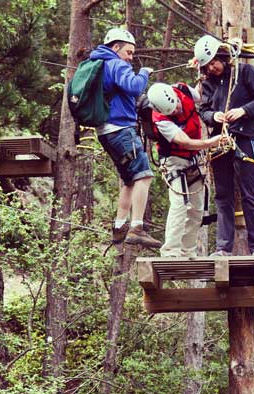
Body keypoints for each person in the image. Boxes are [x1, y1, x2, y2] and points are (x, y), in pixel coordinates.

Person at [194, 35, 254, 257]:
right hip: (221, 141)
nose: (212, 68)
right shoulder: (207, 83)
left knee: (249, 193)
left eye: (214, 63)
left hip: (246, 137)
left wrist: (244, 110)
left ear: (222, 57)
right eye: (207, 66)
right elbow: (204, 110)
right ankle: (222, 247)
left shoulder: (244, 73)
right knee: (223, 195)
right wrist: (213, 116)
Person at [90, 27, 161, 248]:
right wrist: (144, 73)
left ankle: (119, 226)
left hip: (106, 132)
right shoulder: (116, 64)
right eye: (128, 52)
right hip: (121, 129)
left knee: (129, 180)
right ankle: (137, 228)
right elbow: (134, 86)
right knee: (144, 175)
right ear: (116, 47)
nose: (130, 58)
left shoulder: (100, 65)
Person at [146, 82, 226, 257]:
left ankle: (187, 250)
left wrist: (203, 72)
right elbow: (186, 142)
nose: (176, 112)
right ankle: (170, 251)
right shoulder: (160, 119)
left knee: (197, 208)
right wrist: (210, 143)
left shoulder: (182, 90)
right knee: (179, 205)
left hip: (194, 160)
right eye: (171, 112)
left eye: (175, 108)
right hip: (174, 161)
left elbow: (199, 93)